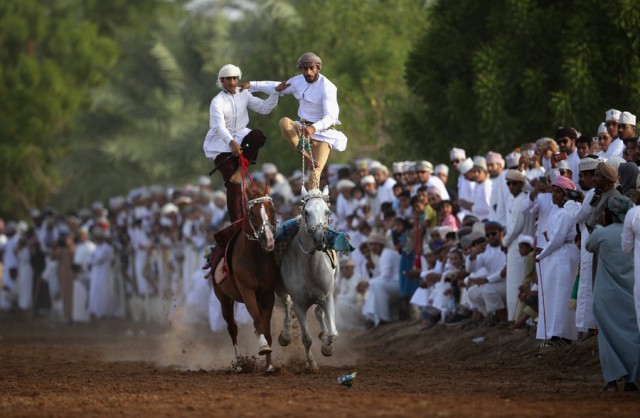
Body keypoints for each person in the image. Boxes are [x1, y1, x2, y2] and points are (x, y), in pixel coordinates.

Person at [243, 52, 348, 190]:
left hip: (323, 133)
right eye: (305, 69)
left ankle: (314, 208)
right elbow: (276, 86)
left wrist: (314, 128)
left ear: (318, 68)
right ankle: (304, 152)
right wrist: (250, 85)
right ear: (301, 69)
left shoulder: (328, 87)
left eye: (312, 68)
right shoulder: (297, 81)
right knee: (284, 122)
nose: (309, 72)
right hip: (303, 128)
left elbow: (331, 116)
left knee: (313, 177)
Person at [203, 64, 285, 222]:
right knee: (234, 187)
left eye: (234, 78)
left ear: (238, 79)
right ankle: (237, 223)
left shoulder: (244, 93)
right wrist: (231, 142)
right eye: (228, 79)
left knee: (258, 135)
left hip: (241, 137)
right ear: (221, 80)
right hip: (221, 144)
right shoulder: (217, 101)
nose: (232, 82)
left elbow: (265, 108)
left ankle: (241, 169)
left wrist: (275, 92)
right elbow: (218, 126)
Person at [586, 196, 640, 392]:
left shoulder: (602, 234)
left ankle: (611, 381)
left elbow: (588, 246)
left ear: (608, 214)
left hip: (606, 295)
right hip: (630, 292)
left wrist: (600, 226)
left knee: (607, 337)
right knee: (632, 334)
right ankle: (631, 380)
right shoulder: (633, 233)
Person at [535, 176, 580, 346]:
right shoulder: (560, 211)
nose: (552, 195)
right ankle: (554, 333)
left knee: (562, 294)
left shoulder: (566, 212)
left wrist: (541, 255)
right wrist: (544, 249)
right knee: (555, 294)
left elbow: (557, 240)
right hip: (559, 255)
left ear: (564, 193)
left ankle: (561, 334)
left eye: (555, 191)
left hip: (564, 256)